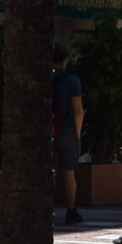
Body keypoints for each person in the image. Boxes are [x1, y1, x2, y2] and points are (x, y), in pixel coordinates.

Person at [51, 43, 85, 226]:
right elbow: (78, 110)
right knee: (68, 173)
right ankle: (71, 212)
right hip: (66, 131)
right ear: (66, 59)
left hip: (44, 132)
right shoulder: (72, 80)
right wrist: (77, 133)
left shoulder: (42, 77)